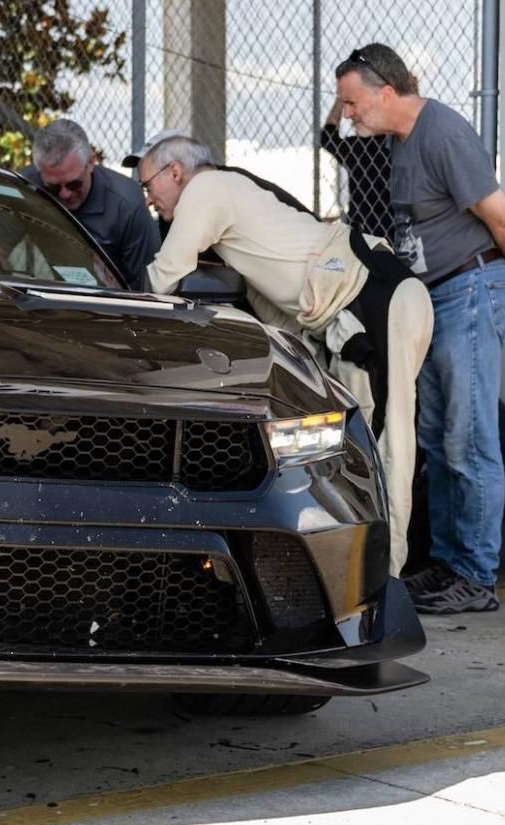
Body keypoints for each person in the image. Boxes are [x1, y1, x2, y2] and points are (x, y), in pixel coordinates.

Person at [137, 134, 432, 578]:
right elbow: (281, 313)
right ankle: (365, 575)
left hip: (371, 296)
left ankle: (384, 582)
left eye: (148, 185)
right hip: (362, 300)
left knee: (385, 445)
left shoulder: (206, 188)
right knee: (361, 445)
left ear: (175, 172)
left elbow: (163, 277)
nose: (149, 199)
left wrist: (118, 308)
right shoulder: (236, 206)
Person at [336, 43, 505, 612]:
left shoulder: (443, 133)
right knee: (435, 435)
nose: (347, 115)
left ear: (385, 92)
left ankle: (476, 576)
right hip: (435, 298)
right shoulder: (402, 141)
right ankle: (449, 563)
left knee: (467, 437)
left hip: (470, 289)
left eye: (351, 102)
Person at [21, 118, 160, 289]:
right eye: (53, 187)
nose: (65, 194)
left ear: (91, 162)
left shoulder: (126, 204)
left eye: (74, 184)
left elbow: (144, 285)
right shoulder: (24, 188)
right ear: (40, 172)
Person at [320, 98, 393, 239]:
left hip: (365, 227)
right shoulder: (357, 146)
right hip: (377, 226)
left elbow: (327, 137)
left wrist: (340, 100)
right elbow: (327, 138)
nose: (352, 119)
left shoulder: (357, 146)